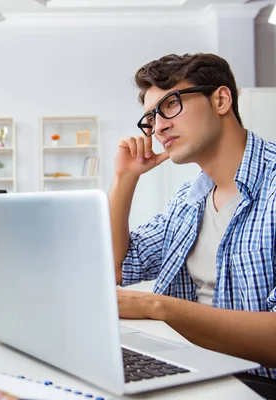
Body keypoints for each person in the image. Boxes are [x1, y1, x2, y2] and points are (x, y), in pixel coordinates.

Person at [110, 53, 276, 382]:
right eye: (150, 118)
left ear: (221, 99)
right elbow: (117, 266)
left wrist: (156, 306)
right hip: (193, 369)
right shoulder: (188, 200)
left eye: (170, 104)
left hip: (256, 384)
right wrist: (124, 179)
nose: (158, 127)